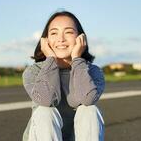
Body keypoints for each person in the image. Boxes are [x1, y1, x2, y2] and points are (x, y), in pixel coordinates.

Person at [22, 11, 105, 141]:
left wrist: (77, 58)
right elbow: (47, 100)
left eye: (69, 32)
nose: (61, 39)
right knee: (45, 111)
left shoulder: (93, 72)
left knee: (89, 110)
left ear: (80, 38)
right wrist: (51, 59)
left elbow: (87, 99)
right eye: (54, 33)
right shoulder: (33, 71)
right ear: (45, 40)